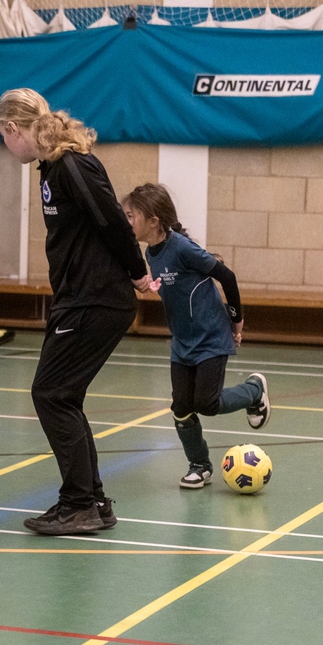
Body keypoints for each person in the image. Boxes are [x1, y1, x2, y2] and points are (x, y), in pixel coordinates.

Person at [0, 88, 152, 536]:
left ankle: (79, 503)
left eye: (4, 137)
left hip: (96, 300)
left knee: (51, 394)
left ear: (13, 129)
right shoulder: (51, 168)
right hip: (79, 299)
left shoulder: (71, 165)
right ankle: (92, 501)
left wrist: (138, 272)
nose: (7, 147)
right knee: (64, 397)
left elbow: (111, 220)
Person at [121, 183, 270, 489]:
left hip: (211, 336)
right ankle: (199, 466)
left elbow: (226, 276)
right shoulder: (151, 252)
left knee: (207, 402)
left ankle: (254, 391)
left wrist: (236, 320)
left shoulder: (183, 248)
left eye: (131, 215)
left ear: (153, 220)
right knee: (181, 407)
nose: (128, 222)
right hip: (182, 341)